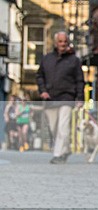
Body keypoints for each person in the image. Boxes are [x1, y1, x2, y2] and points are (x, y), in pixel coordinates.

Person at [37, 31, 85, 164]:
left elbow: (80, 80)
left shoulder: (74, 60)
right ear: (55, 43)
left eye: (65, 41)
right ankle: (66, 149)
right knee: (54, 128)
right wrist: (43, 91)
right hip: (50, 98)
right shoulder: (47, 58)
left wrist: (80, 98)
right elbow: (39, 76)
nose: (63, 44)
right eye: (60, 41)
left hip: (67, 97)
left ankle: (57, 155)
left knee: (63, 128)